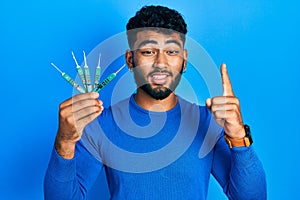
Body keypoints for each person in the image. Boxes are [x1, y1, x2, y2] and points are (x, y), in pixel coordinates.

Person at [44, 5, 267, 200]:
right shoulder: (100, 124)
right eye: (149, 51)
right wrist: (64, 141)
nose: (161, 63)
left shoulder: (208, 122)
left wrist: (238, 136)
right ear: (130, 60)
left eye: (171, 51)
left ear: (184, 60)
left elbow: (250, 197)